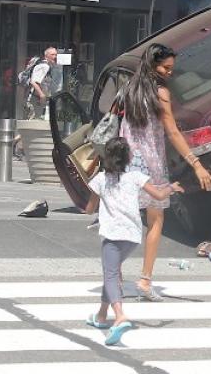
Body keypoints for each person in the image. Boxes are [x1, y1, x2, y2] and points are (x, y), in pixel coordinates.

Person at [119, 43, 211, 301]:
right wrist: (196, 164)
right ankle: (145, 280)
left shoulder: (130, 88)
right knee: (155, 220)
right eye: (165, 67)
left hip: (127, 162)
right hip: (151, 164)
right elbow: (172, 132)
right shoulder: (160, 93)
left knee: (125, 220)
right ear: (153, 64)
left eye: (172, 68)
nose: (169, 72)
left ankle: (115, 276)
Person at [83, 137, 183, 346]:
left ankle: (119, 316)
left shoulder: (100, 179)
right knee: (111, 272)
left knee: (111, 275)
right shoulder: (136, 177)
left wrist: (94, 198)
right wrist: (172, 187)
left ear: (106, 157)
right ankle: (101, 315)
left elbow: (89, 210)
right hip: (132, 237)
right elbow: (159, 195)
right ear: (128, 157)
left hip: (112, 235)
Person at [25, 46, 58, 120]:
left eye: (56, 55)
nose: (55, 57)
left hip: (39, 99)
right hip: (35, 99)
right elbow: (33, 82)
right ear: (46, 56)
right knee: (34, 120)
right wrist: (41, 95)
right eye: (52, 55)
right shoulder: (44, 66)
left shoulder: (48, 66)